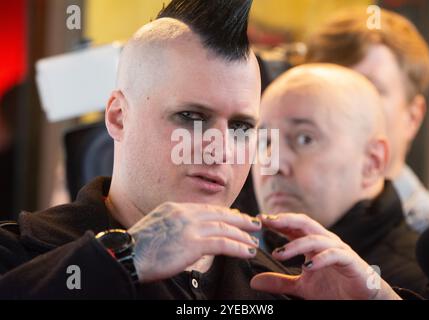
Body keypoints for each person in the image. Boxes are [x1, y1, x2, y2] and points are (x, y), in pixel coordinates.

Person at [0, 0, 400, 300]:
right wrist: (121, 261)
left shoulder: (280, 286)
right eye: (191, 117)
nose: (220, 149)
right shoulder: (21, 257)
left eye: (242, 127)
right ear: (119, 117)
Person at [252, 63, 429, 297]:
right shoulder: (238, 261)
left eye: (305, 139)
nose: (272, 164)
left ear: (372, 162)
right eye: (264, 141)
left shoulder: (423, 283)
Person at [302, 8, 429, 233]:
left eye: (369, 89)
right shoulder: (273, 216)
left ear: (413, 116)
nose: (343, 105)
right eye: (328, 89)